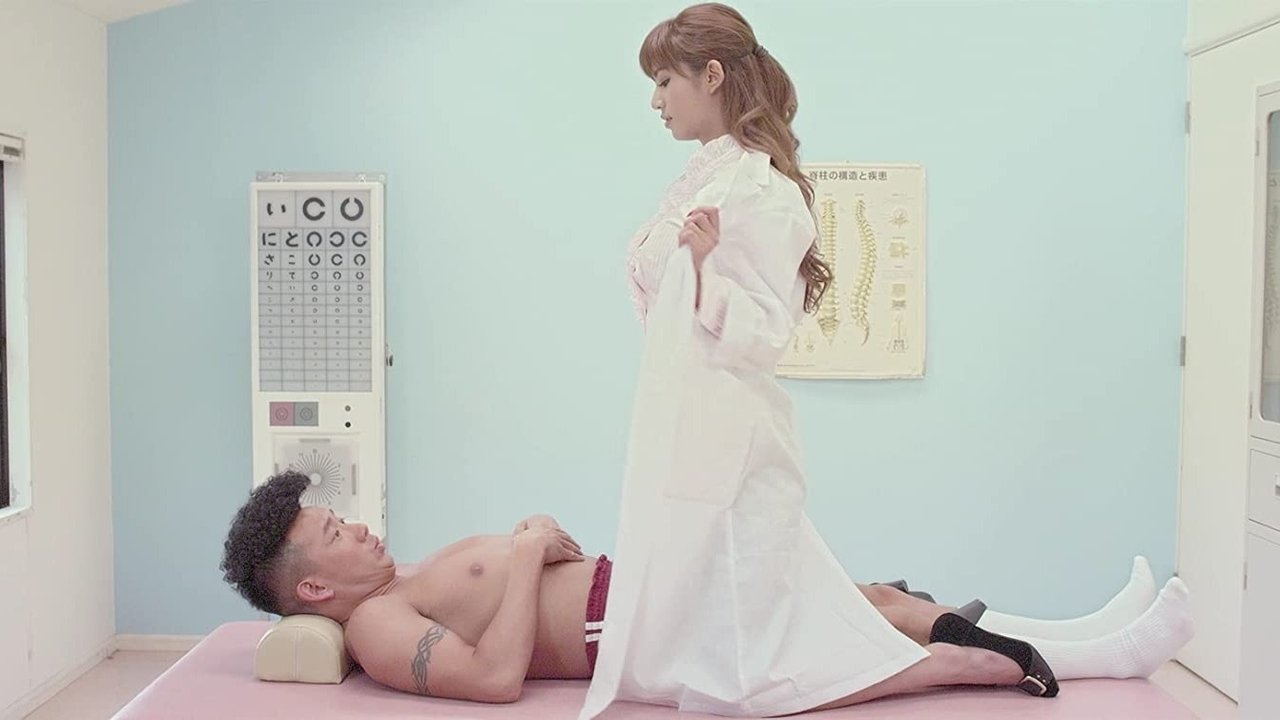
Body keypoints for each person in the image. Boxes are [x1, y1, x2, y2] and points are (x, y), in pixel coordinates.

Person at [577, 4, 1194, 718]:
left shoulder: (758, 189)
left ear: (711, 76)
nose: (655, 101)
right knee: (838, 614)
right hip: (700, 434)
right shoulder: (707, 181)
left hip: (732, 441)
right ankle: (1095, 645)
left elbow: (765, 335)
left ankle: (1095, 649)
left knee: (797, 643)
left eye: (664, 81)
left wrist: (702, 276)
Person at [219, 472, 1192, 709]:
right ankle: (1097, 654)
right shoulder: (381, 624)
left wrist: (538, 542)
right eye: (334, 534)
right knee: (864, 614)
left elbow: (515, 597)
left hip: (639, 590)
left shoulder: (401, 583)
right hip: (638, 625)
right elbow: (493, 678)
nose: (358, 526)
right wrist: (524, 556)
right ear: (315, 585)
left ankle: (1083, 633)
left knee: (862, 594)